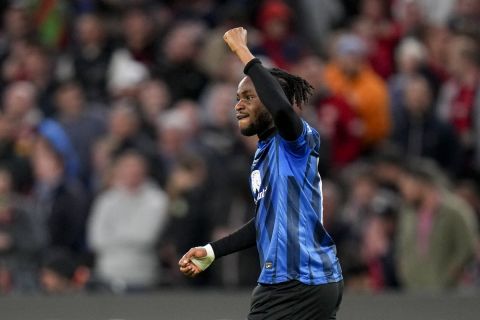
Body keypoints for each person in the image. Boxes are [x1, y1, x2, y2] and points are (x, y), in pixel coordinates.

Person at [179, 27, 343, 320]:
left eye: (248, 97)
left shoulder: (296, 141)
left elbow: (282, 110)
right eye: (237, 97)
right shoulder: (264, 155)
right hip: (310, 281)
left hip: (292, 282)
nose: (238, 105)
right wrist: (213, 251)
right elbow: (266, 221)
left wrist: (243, 51)